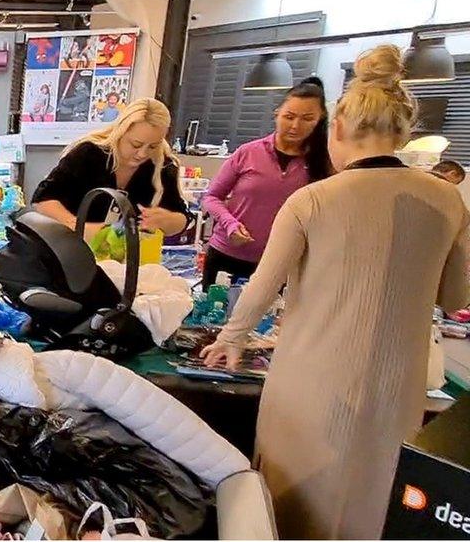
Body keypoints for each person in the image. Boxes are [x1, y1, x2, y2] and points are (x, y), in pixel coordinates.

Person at [200, 45, 470, 539]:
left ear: (338, 129)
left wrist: (232, 337)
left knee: (294, 509)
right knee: (373, 508)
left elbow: (263, 284)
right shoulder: (447, 199)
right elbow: (454, 298)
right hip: (398, 390)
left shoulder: (314, 198)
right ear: (404, 130)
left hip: (312, 384)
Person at [200, 77, 331, 288]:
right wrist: (230, 224)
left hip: (278, 264)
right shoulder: (248, 152)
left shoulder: (321, 165)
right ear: (277, 113)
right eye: (289, 117)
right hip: (226, 255)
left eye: (307, 119)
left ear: (320, 119)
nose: (296, 126)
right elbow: (212, 197)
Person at [32, 98, 190, 238]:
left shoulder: (162, 166)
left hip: (124, 262)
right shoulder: (89, 154)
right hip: (70, 252)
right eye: (136, 144)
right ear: (120, 132)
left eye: (153, 146)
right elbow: (43, 198)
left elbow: (183, 218)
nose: (142, 154)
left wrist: (167, 220)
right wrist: (75, 225)